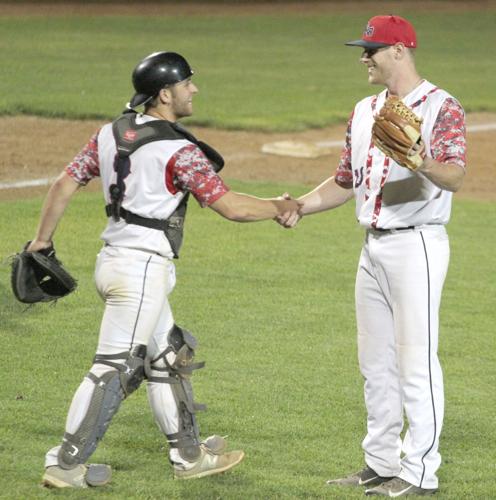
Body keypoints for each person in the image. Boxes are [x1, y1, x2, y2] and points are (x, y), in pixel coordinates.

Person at [30, 51, 300, 489]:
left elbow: (65, 183)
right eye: (187, 83)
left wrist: (40, 241)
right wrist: (280, 207)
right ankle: (65, 463)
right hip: (139, 272)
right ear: (164, 94)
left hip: (114, 262)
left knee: (167, 357)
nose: (193, 89)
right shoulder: (179, 150)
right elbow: (229, 206)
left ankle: (188, 455)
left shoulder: (108, 133)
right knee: (112, 368)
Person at [278, 15, 466, 497]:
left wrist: (421, 159)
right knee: (375, 362)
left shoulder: (441, 107)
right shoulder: (363, 110)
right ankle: (381, 462)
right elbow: (345, 181)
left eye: (373, 49)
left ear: (400, 51)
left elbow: (454, 176)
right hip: (373, 249)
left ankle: (420, 472)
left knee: (415, 363)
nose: (364, 57)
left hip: (417, 246)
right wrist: (302, 204)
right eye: (363, 49)